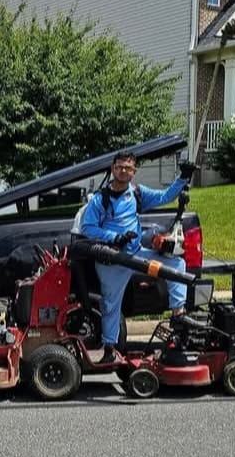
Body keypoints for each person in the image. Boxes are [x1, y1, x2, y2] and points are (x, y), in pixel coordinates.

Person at [79, 152, 195, 364]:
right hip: (112, 260)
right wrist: (115, 237)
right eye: (120, 167)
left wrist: (183, 177)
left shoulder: (138, 194)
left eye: (128, 168)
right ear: (113, 169)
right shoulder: (99, 200)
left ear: (134, 172)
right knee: (111, 305)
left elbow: (164, 196)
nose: (124, 171)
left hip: (136, 256)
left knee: (176, 264)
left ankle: (178, 315)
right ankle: (109, 348)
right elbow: (88, 228)